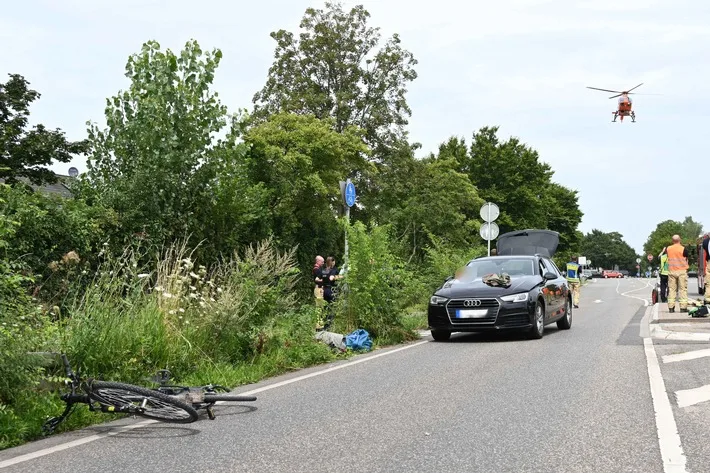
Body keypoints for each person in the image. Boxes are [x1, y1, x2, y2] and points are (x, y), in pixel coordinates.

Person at [314, 256, 342, 329]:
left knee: (324, 308)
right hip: (331, 290)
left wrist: (323, 281)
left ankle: (322, 325)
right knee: (331, 308)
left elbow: (316, 279)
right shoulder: (334, 270)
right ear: (332, 262)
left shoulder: (324, 270)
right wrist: (337, 277)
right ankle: (328, 326)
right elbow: (335, 277)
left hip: (324, 291)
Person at [666, 234, 689, 313]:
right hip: (682, 271)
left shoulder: (668, 248)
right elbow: (687, 257)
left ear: (672, 241)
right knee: (682, 289)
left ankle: (671, 308)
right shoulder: (683, 249)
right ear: (680, 240)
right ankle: (683, 308)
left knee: (672, 289)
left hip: (672, 271)